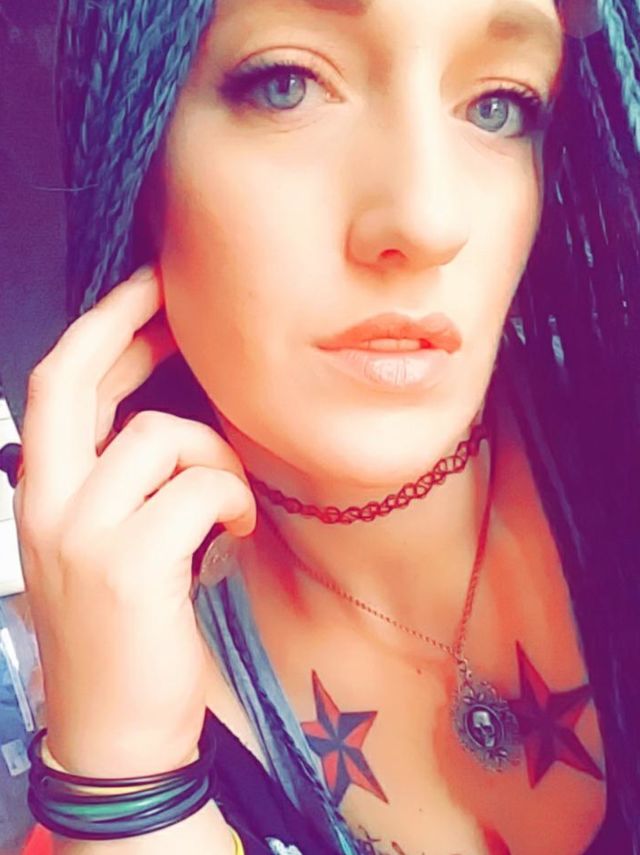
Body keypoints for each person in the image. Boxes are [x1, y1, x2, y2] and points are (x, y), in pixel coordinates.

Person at [1, 0, 639, 852]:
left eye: (499, 105)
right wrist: (123, 786)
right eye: (289, 84)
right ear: (138, 149)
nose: (426, 221)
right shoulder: (128, 656)